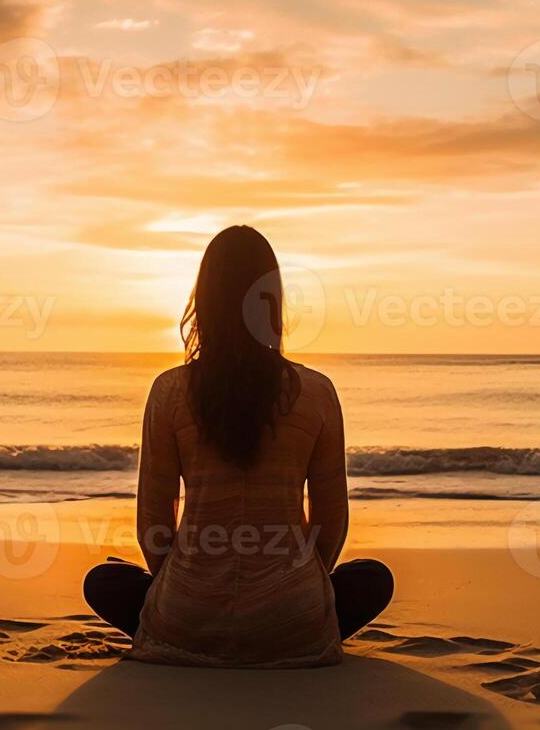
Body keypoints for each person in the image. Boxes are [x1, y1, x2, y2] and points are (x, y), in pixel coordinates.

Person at [83, 226, 393, 668]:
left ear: (203, 299)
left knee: (106, 581)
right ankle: (284, 625)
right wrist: (299, 587)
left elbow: (153, 525)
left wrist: (185, 585)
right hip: (293, 621)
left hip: (186, 620)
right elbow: (332, 523)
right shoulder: (318, 393)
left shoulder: (169, 391)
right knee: (372, 580)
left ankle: (192, 626)